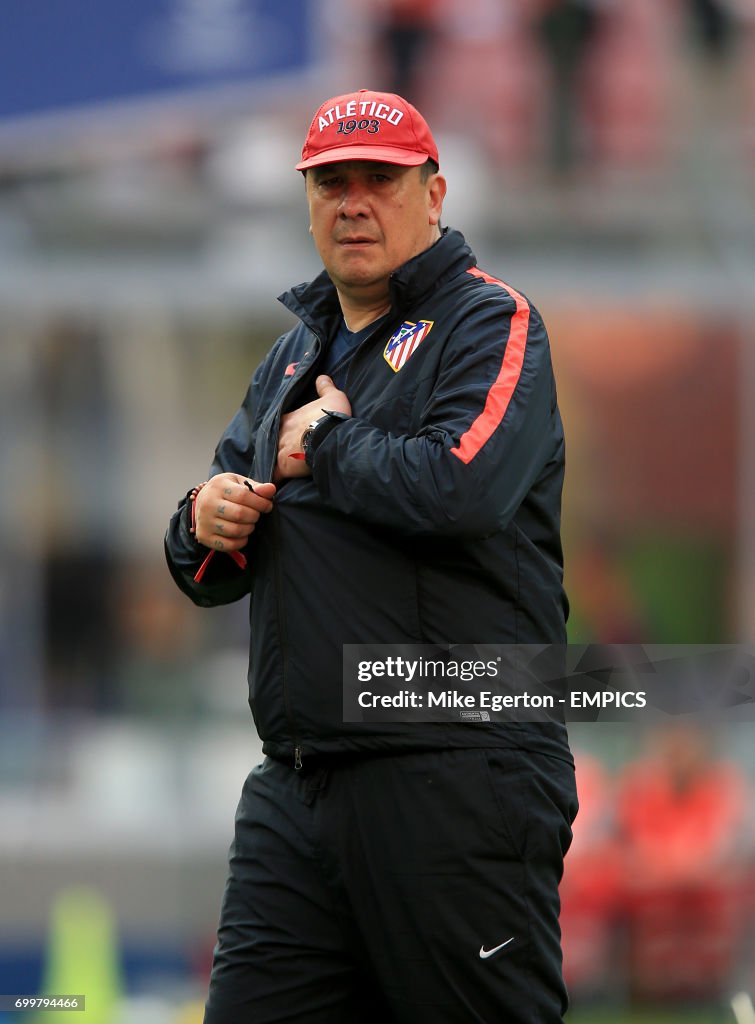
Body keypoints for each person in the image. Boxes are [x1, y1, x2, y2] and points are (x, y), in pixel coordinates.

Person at [165, 87, 577, 1023]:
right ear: (307, 200)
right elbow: (208, 563)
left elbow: (461, 488)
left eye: (379, 180)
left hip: (456, 767)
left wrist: (329, 447)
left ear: (433, 193)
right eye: (330, 182)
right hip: (297, 781)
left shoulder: (491, 321)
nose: (354, 202)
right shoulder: (288, 358)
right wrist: (201, 519)